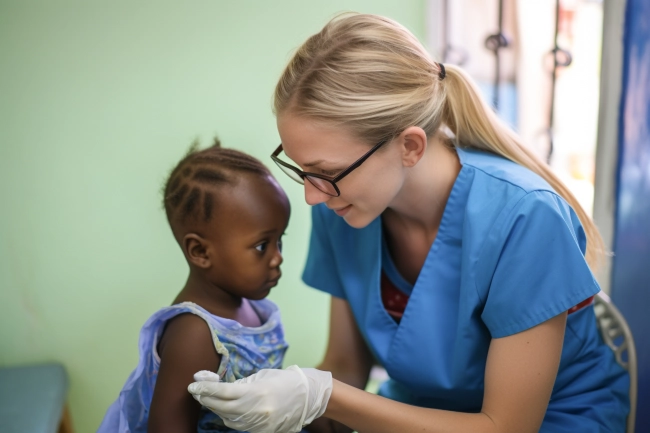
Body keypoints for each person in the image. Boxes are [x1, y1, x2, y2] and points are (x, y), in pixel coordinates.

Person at [188, 13, 630, 433]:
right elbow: (346, 367)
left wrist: (320, 396)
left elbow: (507, 426)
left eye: (326, 172)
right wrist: (266, 404)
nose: (311, 195)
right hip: (416, 413)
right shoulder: (341, 206)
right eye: (303, 170)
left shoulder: (525, 216)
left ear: (410, 147)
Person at [97, 138, 292, 433]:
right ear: (200, 252)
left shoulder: (252, 307)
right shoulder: (195, 334)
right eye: (262, 245)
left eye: (280, 240)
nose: (278, 257)